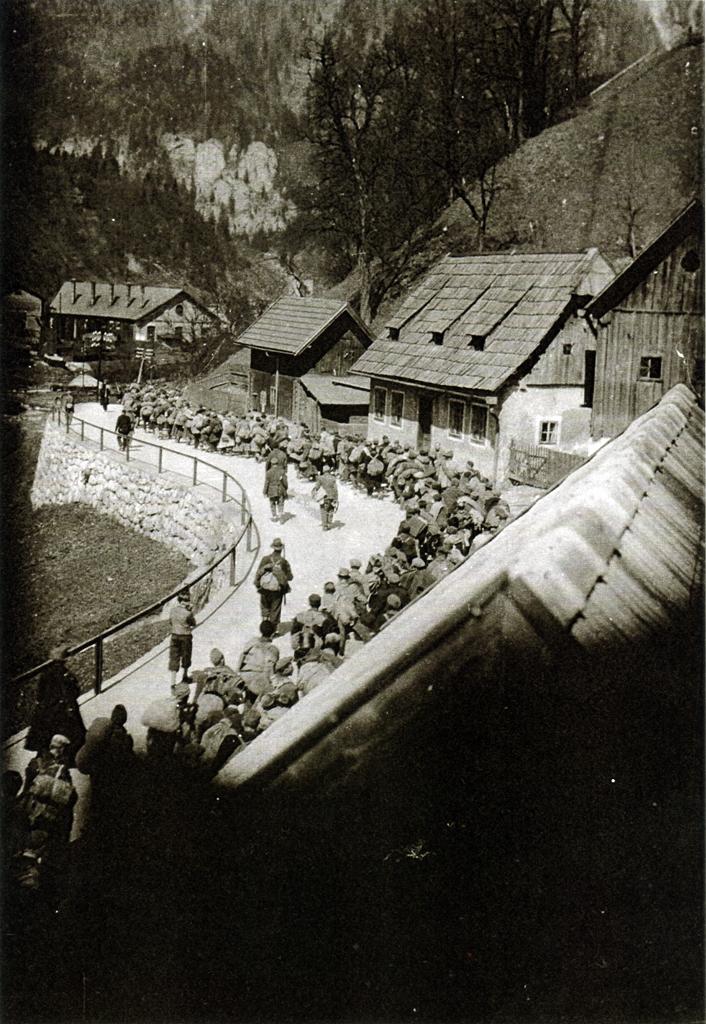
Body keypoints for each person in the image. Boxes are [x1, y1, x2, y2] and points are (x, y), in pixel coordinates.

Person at [25, 645, 86, 768]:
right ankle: (67, 758)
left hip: (48, 711)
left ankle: (45, 757)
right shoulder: (66, 675)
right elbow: (74, 692)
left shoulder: (45, 675)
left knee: (47, 736)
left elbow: (40, 695)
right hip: (64, 711)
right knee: (73, 735)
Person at [237, 620, 280, 702]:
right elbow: (270, 670)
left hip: (243, 676)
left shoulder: (252, 642)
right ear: (273, 634)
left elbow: (242, 657)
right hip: (257, 680)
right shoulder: (273, 649)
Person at [254, 538, 293, 627]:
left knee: (265, 609)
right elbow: (290, 577)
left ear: (273, 548)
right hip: (277, 591)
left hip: (265, 589)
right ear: (281, 549)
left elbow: (259, 572)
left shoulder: (265, 559)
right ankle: (273, 630)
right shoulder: (283, 561)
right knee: (275, 610)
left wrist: (257, 585)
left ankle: (265, 628)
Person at [168, 591, 196, 688]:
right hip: (185, 636)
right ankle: (184, 676)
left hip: (174, 636)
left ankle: (173, 682)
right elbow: (193, 623)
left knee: (174, 658)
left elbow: (171, 622)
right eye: (187, 600)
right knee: (186, 657)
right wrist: (190, 611)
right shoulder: (188, 613)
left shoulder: (172, 611)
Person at [312, 465, 339, 531]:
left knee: (323, 510)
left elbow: (317, 487)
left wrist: (314, 491)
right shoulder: (333, 478)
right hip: (331, 497)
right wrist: (336, 498)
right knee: (330, 510)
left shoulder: (320, 478)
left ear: (323, 471)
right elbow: (335, 489)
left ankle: (324, 525)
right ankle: (329, 523)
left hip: (323, 497)